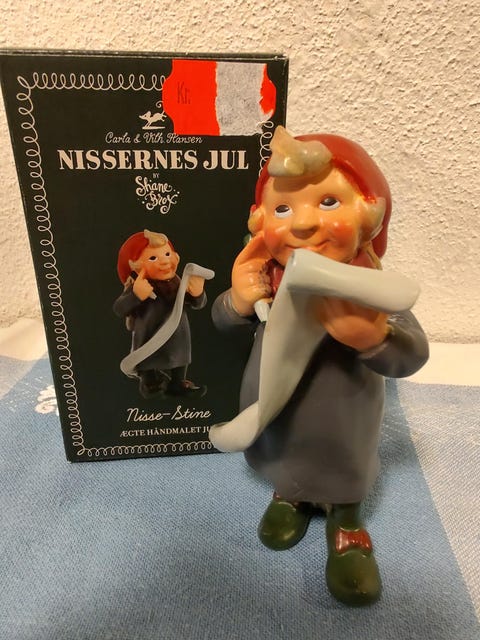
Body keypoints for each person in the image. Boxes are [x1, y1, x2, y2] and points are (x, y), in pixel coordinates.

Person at [211, 126, 429, 606]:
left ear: (368, 215)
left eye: (328, 203)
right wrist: (238, 302)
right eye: (283, 209)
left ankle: (346, 521)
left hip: (344, 411)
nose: (304, 224)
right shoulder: (267, 280)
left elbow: (412, 354)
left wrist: (372, 338)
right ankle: (289, 496)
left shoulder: (371, 290)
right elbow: (222, 325)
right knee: (280, 447)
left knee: (342, 458)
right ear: (259, 221)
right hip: (275, 403)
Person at [114, 229, 207, 399]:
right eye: (153, 258)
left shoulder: (178, 281)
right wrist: (136, 296)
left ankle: (177, 383)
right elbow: (119, 309)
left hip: (177, 333)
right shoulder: (138, 286)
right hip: (149, 334)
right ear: (137, 266)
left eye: (167, 254)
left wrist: (197, 293)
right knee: (148, 358)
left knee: (179, 356)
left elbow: (197, 304)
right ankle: (149, 382)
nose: (164, 261)